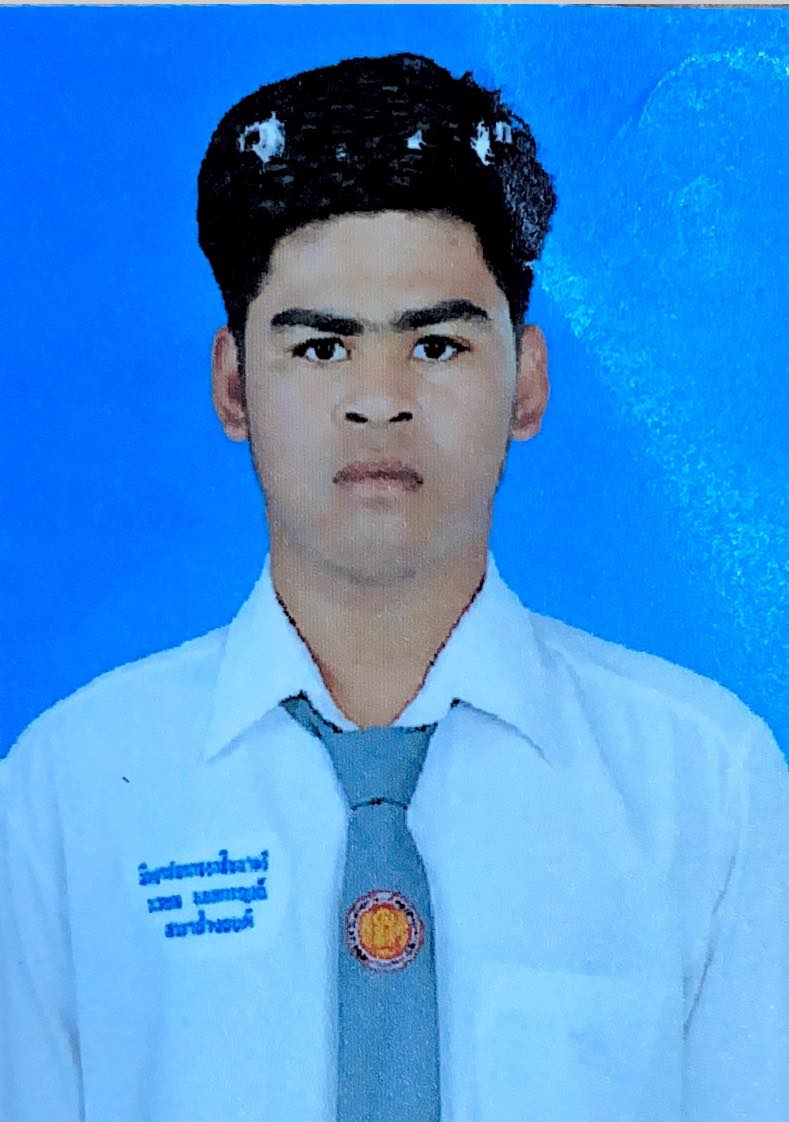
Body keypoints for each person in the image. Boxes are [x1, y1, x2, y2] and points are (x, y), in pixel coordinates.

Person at [1, 51, 787, 1122]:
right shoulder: (65, 793)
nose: (379, 401)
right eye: (322, 349)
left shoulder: (705, 786)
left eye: (437, 344)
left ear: (528, 381)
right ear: (233, 384)